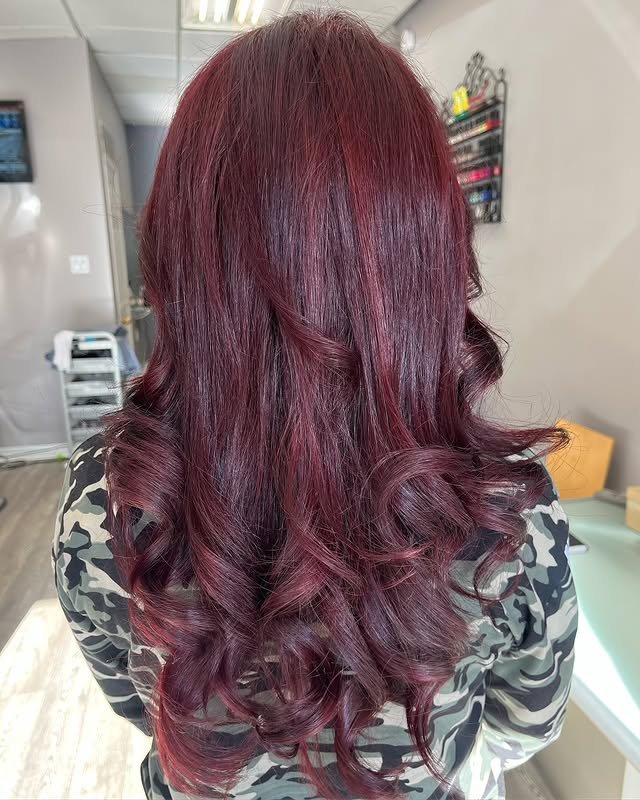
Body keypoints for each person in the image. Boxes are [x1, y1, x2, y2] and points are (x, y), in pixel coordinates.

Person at [52, 13, 578, 800]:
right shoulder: (506, 513)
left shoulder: (108, 498)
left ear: (179, 247)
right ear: (429, 246)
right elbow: (523, 723)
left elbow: (136, 704)